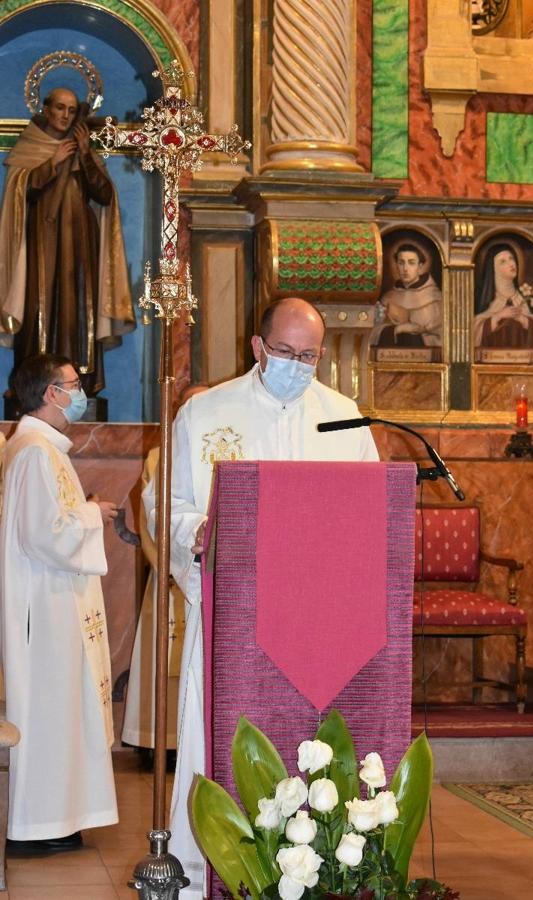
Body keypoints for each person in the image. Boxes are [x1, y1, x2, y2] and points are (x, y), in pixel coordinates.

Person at [144, 297, 379, 897]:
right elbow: (162, 499)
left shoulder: (346, 415)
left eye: (310, 356)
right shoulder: (205, 412)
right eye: (285, 353)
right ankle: (205, 873)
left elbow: (370, 511)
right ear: (257, 347)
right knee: (218, 737)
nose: (298, 366)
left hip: (316, 621)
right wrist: (190, 529)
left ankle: (313, 869)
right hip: (233, 610)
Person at [0, 353, 119, 853]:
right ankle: (36, 825)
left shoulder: (42, 450)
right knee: (48, 711)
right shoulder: (33, 452)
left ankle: (59, 819)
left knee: (64, 713)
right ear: (51, 392)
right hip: (43, 611)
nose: (80, 393)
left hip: (55, 604)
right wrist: (92, 514)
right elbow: (42, 534)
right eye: (73, 384)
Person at [0, 88, 135, 396]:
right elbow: (20, 193)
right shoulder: (30, 145)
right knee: (38, 310)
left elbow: (104, 194)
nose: (65, 115)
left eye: (71, 110)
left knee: (78, 311)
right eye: (59, 108)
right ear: (46, 109)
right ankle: (31, 387)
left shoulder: (83, 149)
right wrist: (51, 163)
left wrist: (85, 155)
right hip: (39, 247)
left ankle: (79, 383)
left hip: (81, 248)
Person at [122, 386, 208, 762]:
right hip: (170, 575)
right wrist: (171, 568)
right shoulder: (161, 455)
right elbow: (151, 516)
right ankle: (158, 742)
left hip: (214, 575)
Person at [474, 243, 533, 354]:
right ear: (494, 269)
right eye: (503, 261)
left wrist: (524, 320)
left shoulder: (527, 298)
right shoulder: (485, 301)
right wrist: (498, 316)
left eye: (511, 258)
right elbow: (472, 331)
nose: (511, 263)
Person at [375, 242, 442, 350]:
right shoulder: (388, 298)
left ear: (420, 266)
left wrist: (417, 334)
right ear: (396, 265)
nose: (405, 269)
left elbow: (442, 338)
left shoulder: (435, 298)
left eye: (411, 263)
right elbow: (373, 334)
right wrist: (399, 329)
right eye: (401, 263)